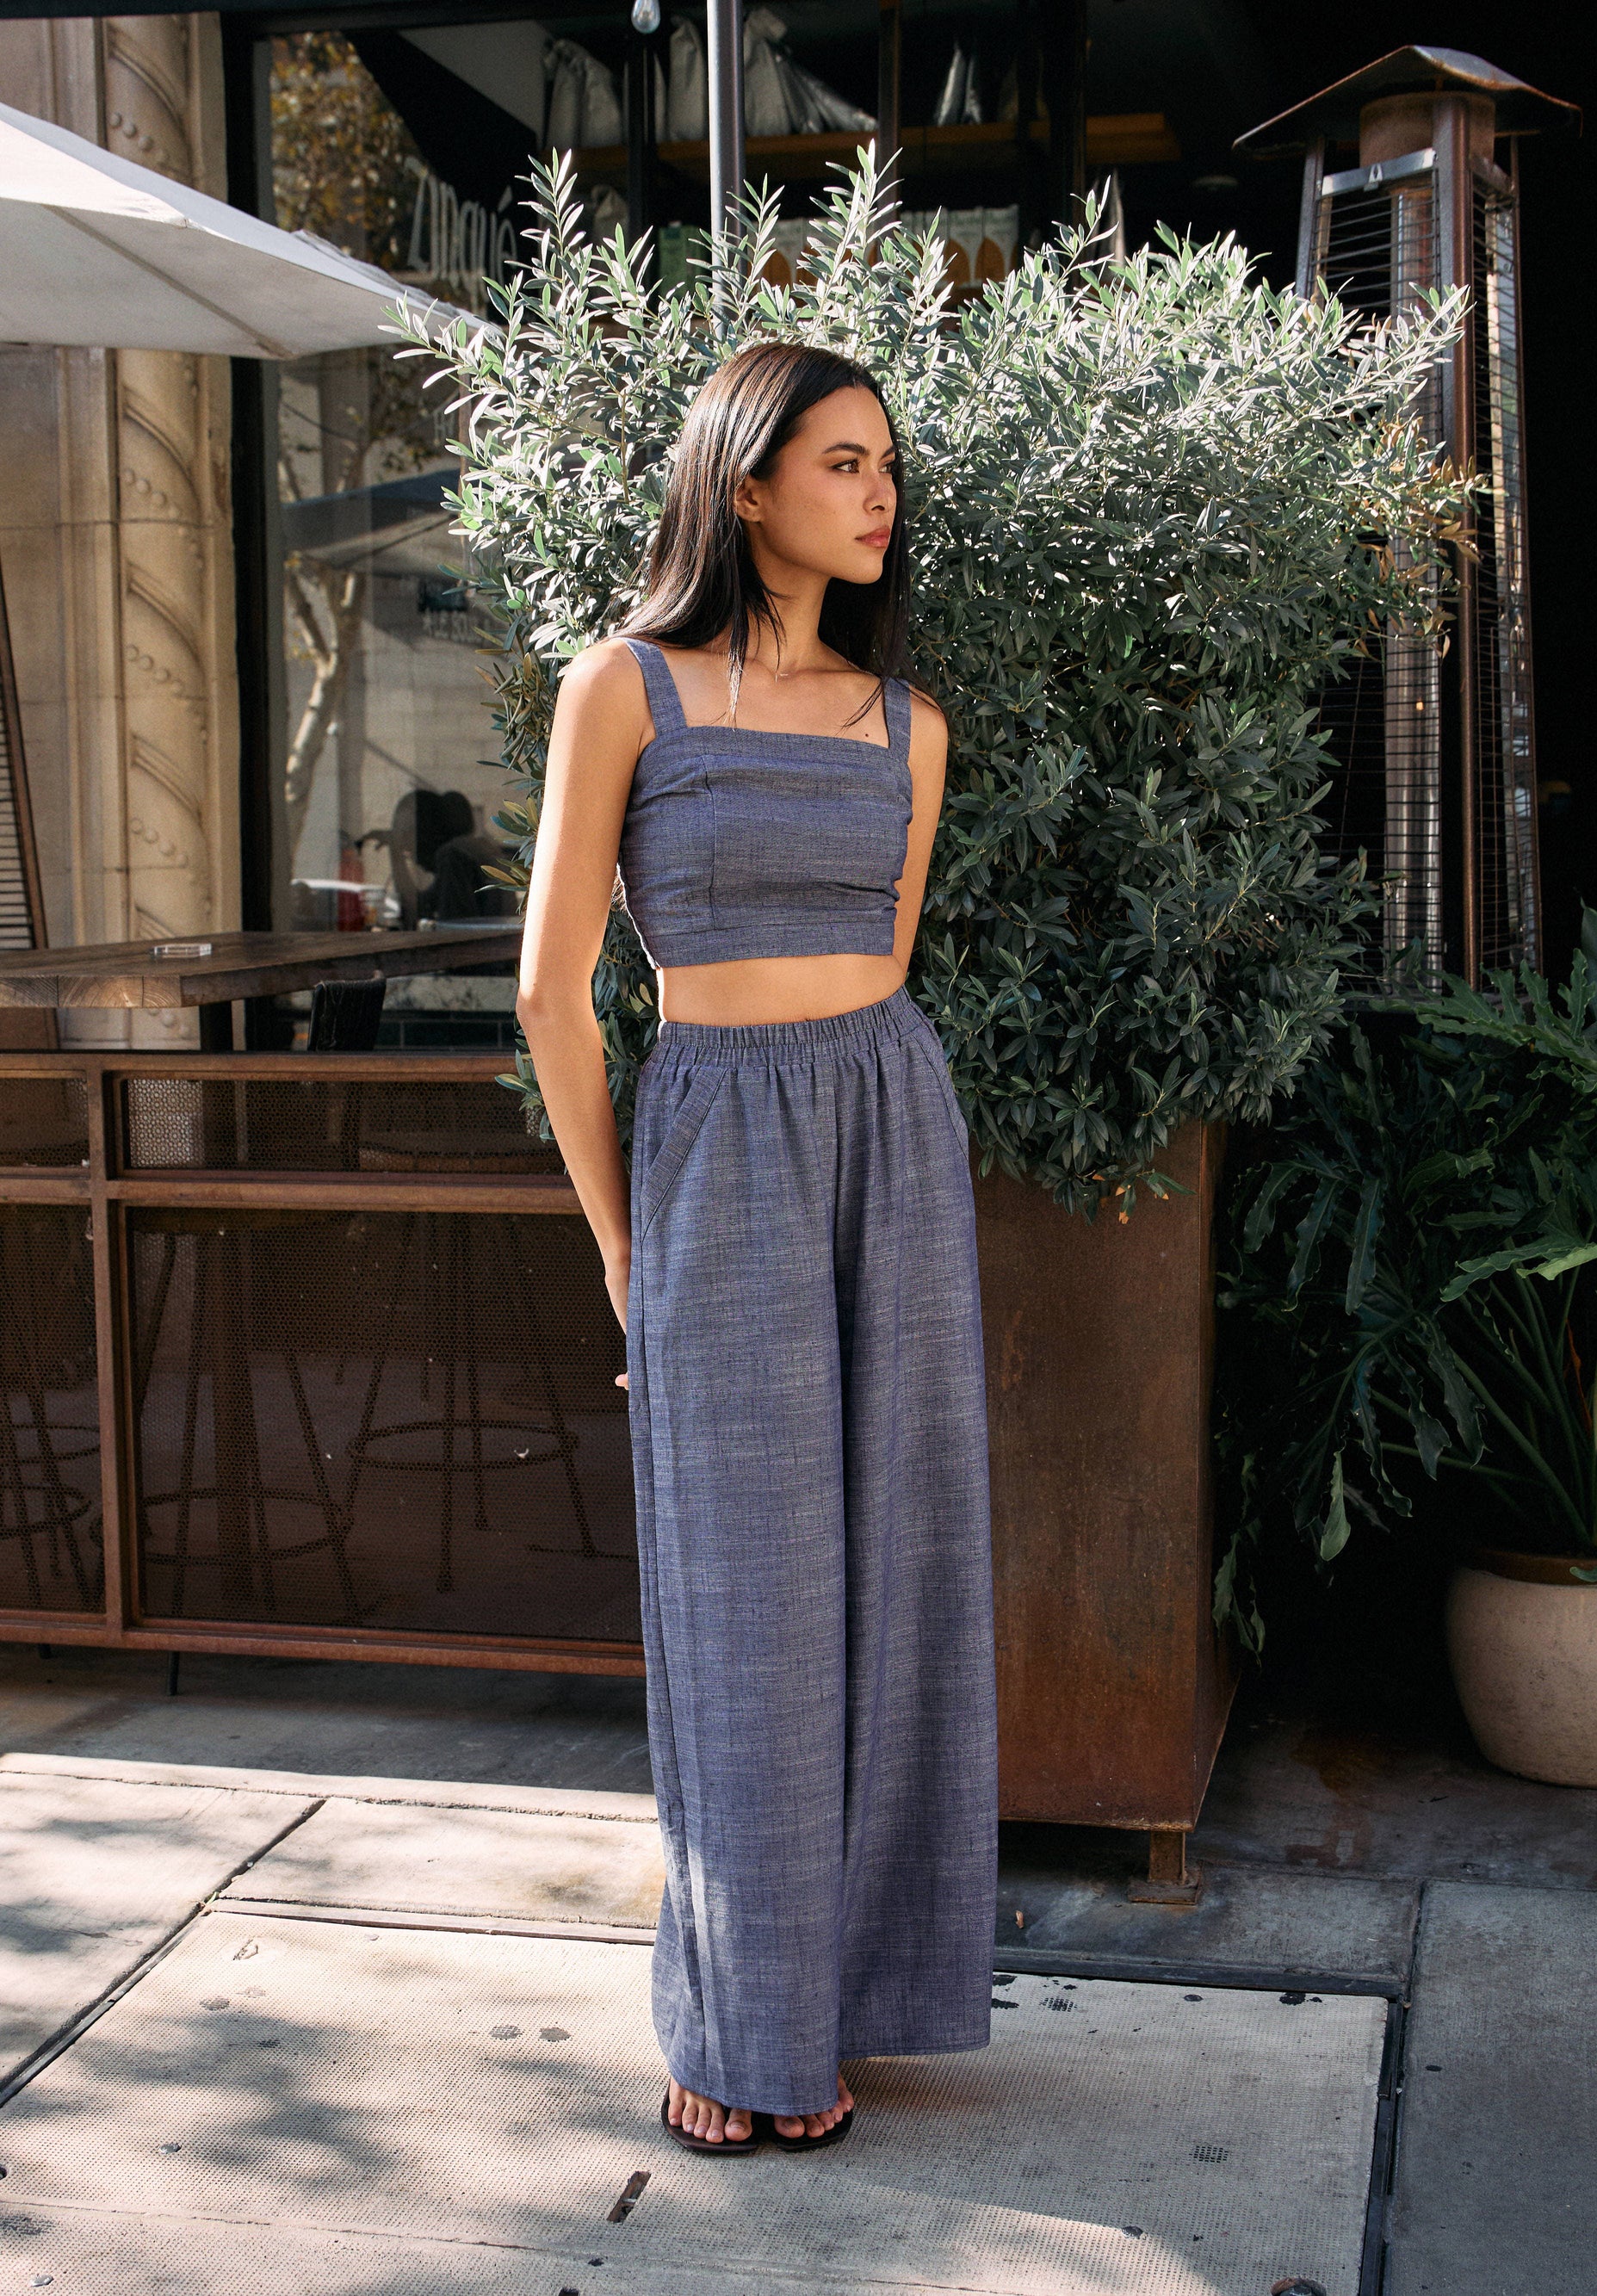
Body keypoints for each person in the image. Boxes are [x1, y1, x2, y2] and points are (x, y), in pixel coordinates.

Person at [515, 342, 996, 2155]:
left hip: (889, 1127)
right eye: (843, 461)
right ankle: (739, 2016)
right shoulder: (621, 689)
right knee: (744, 1596)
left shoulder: (906, 724)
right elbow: (554, 997)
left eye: (888, 465)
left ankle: (850, 1996)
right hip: (714, 1136)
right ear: (746, 482)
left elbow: (888, 966)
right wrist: (626, 1246)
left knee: (898, 1565)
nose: (879, 493)